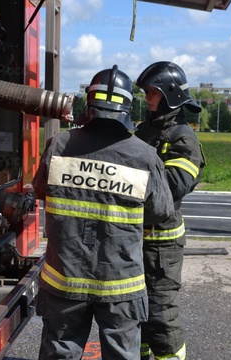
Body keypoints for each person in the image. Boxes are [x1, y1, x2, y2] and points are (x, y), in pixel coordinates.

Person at [32, 65, 174, 360]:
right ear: (128, 108)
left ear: (90, 104)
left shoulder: (60, 144)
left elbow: (40, 189)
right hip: (120, 284)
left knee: (59, 353)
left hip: (65, 280)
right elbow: (161, 211)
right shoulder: (144, 155)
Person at [135, 61, 206, 360]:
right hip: (135, 238)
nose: (147, 97)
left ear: (169, 95)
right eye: (147, 92)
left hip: (161, 244)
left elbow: (174, 186)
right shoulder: (142, 131)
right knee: (135, 315)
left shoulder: (183, 138)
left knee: (161, 316)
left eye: (153, 91)